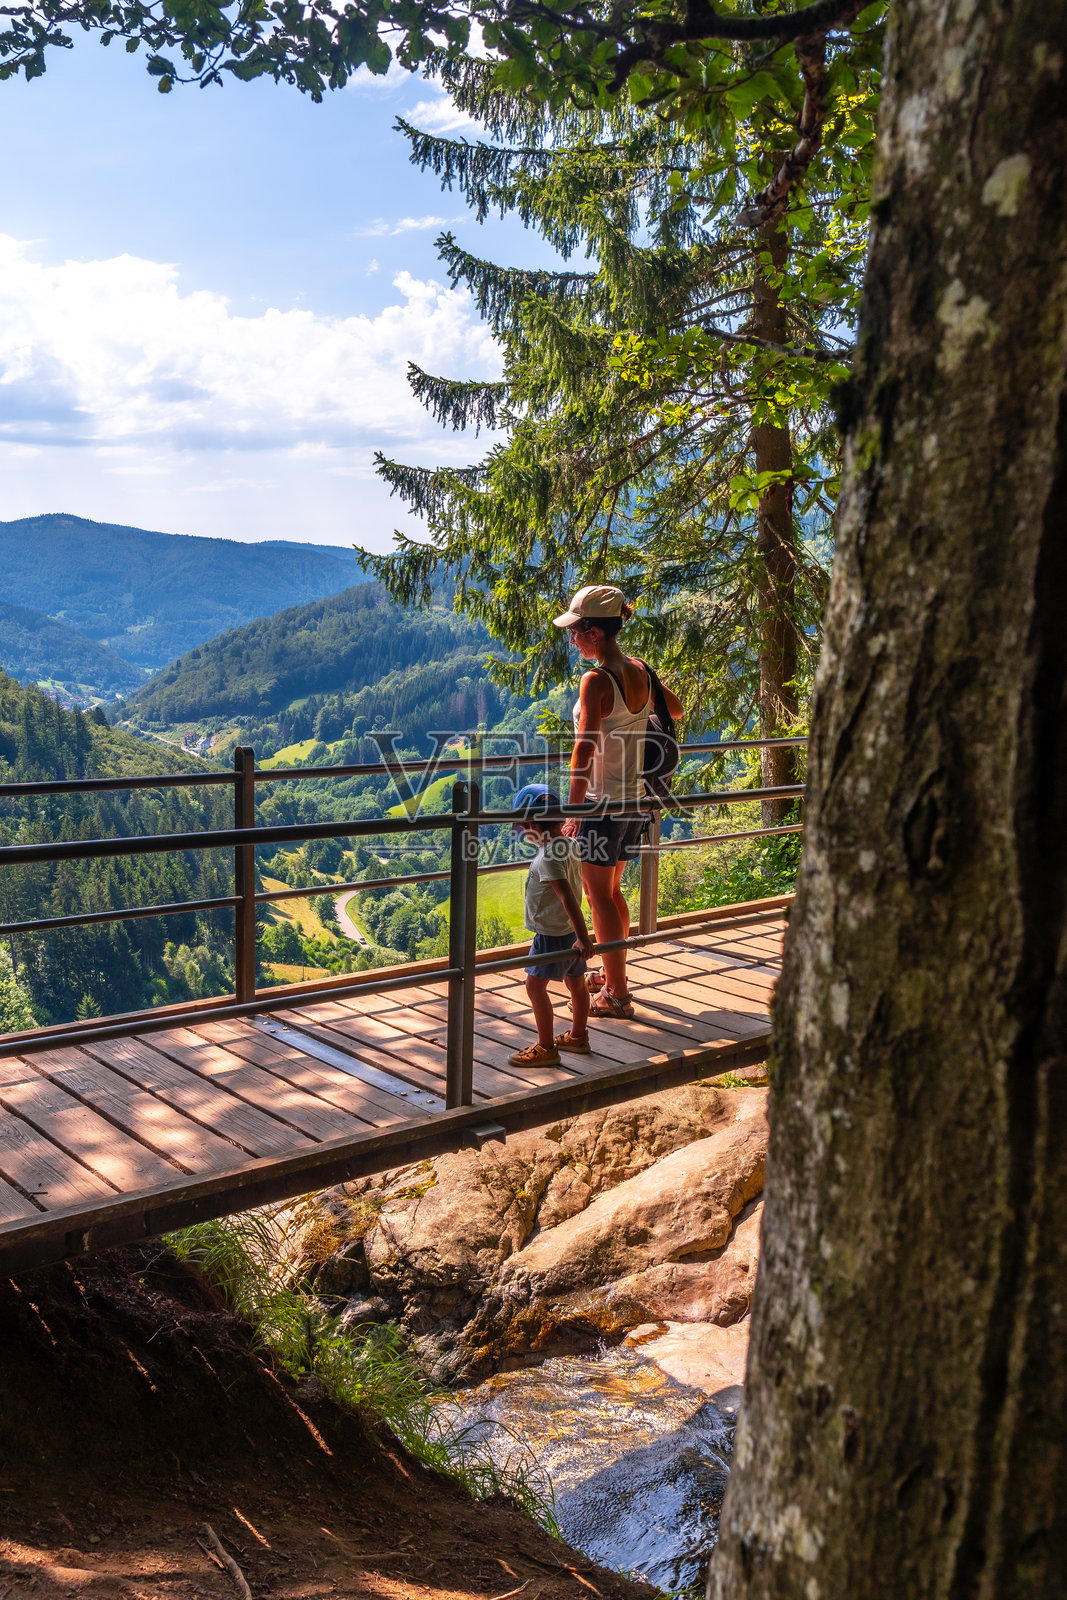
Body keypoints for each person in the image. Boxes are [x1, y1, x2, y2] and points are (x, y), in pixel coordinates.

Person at [553, 584, 684, 1019]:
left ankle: (618, 995)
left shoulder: (596, 679)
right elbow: (677, 710)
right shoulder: (640, 669)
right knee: (610, 893)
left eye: (575, 631)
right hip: (636, 802)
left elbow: (584, 747)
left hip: (601, 804)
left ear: (594, 632)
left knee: (598, 895)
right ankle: (613, 978)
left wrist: (572, 811)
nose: (572, 639)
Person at [506, 783, 596, 1069]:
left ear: (532, 824)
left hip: (551, 934)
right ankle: (578, 1036)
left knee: (534, 987)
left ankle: (546, 1047)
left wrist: (584, 938)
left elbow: (567, 896)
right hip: (568, 931)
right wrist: (580, 936)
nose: (522, 834)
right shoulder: (569, 843)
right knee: (577, 984)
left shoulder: (547, 856)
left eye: (522, 827)